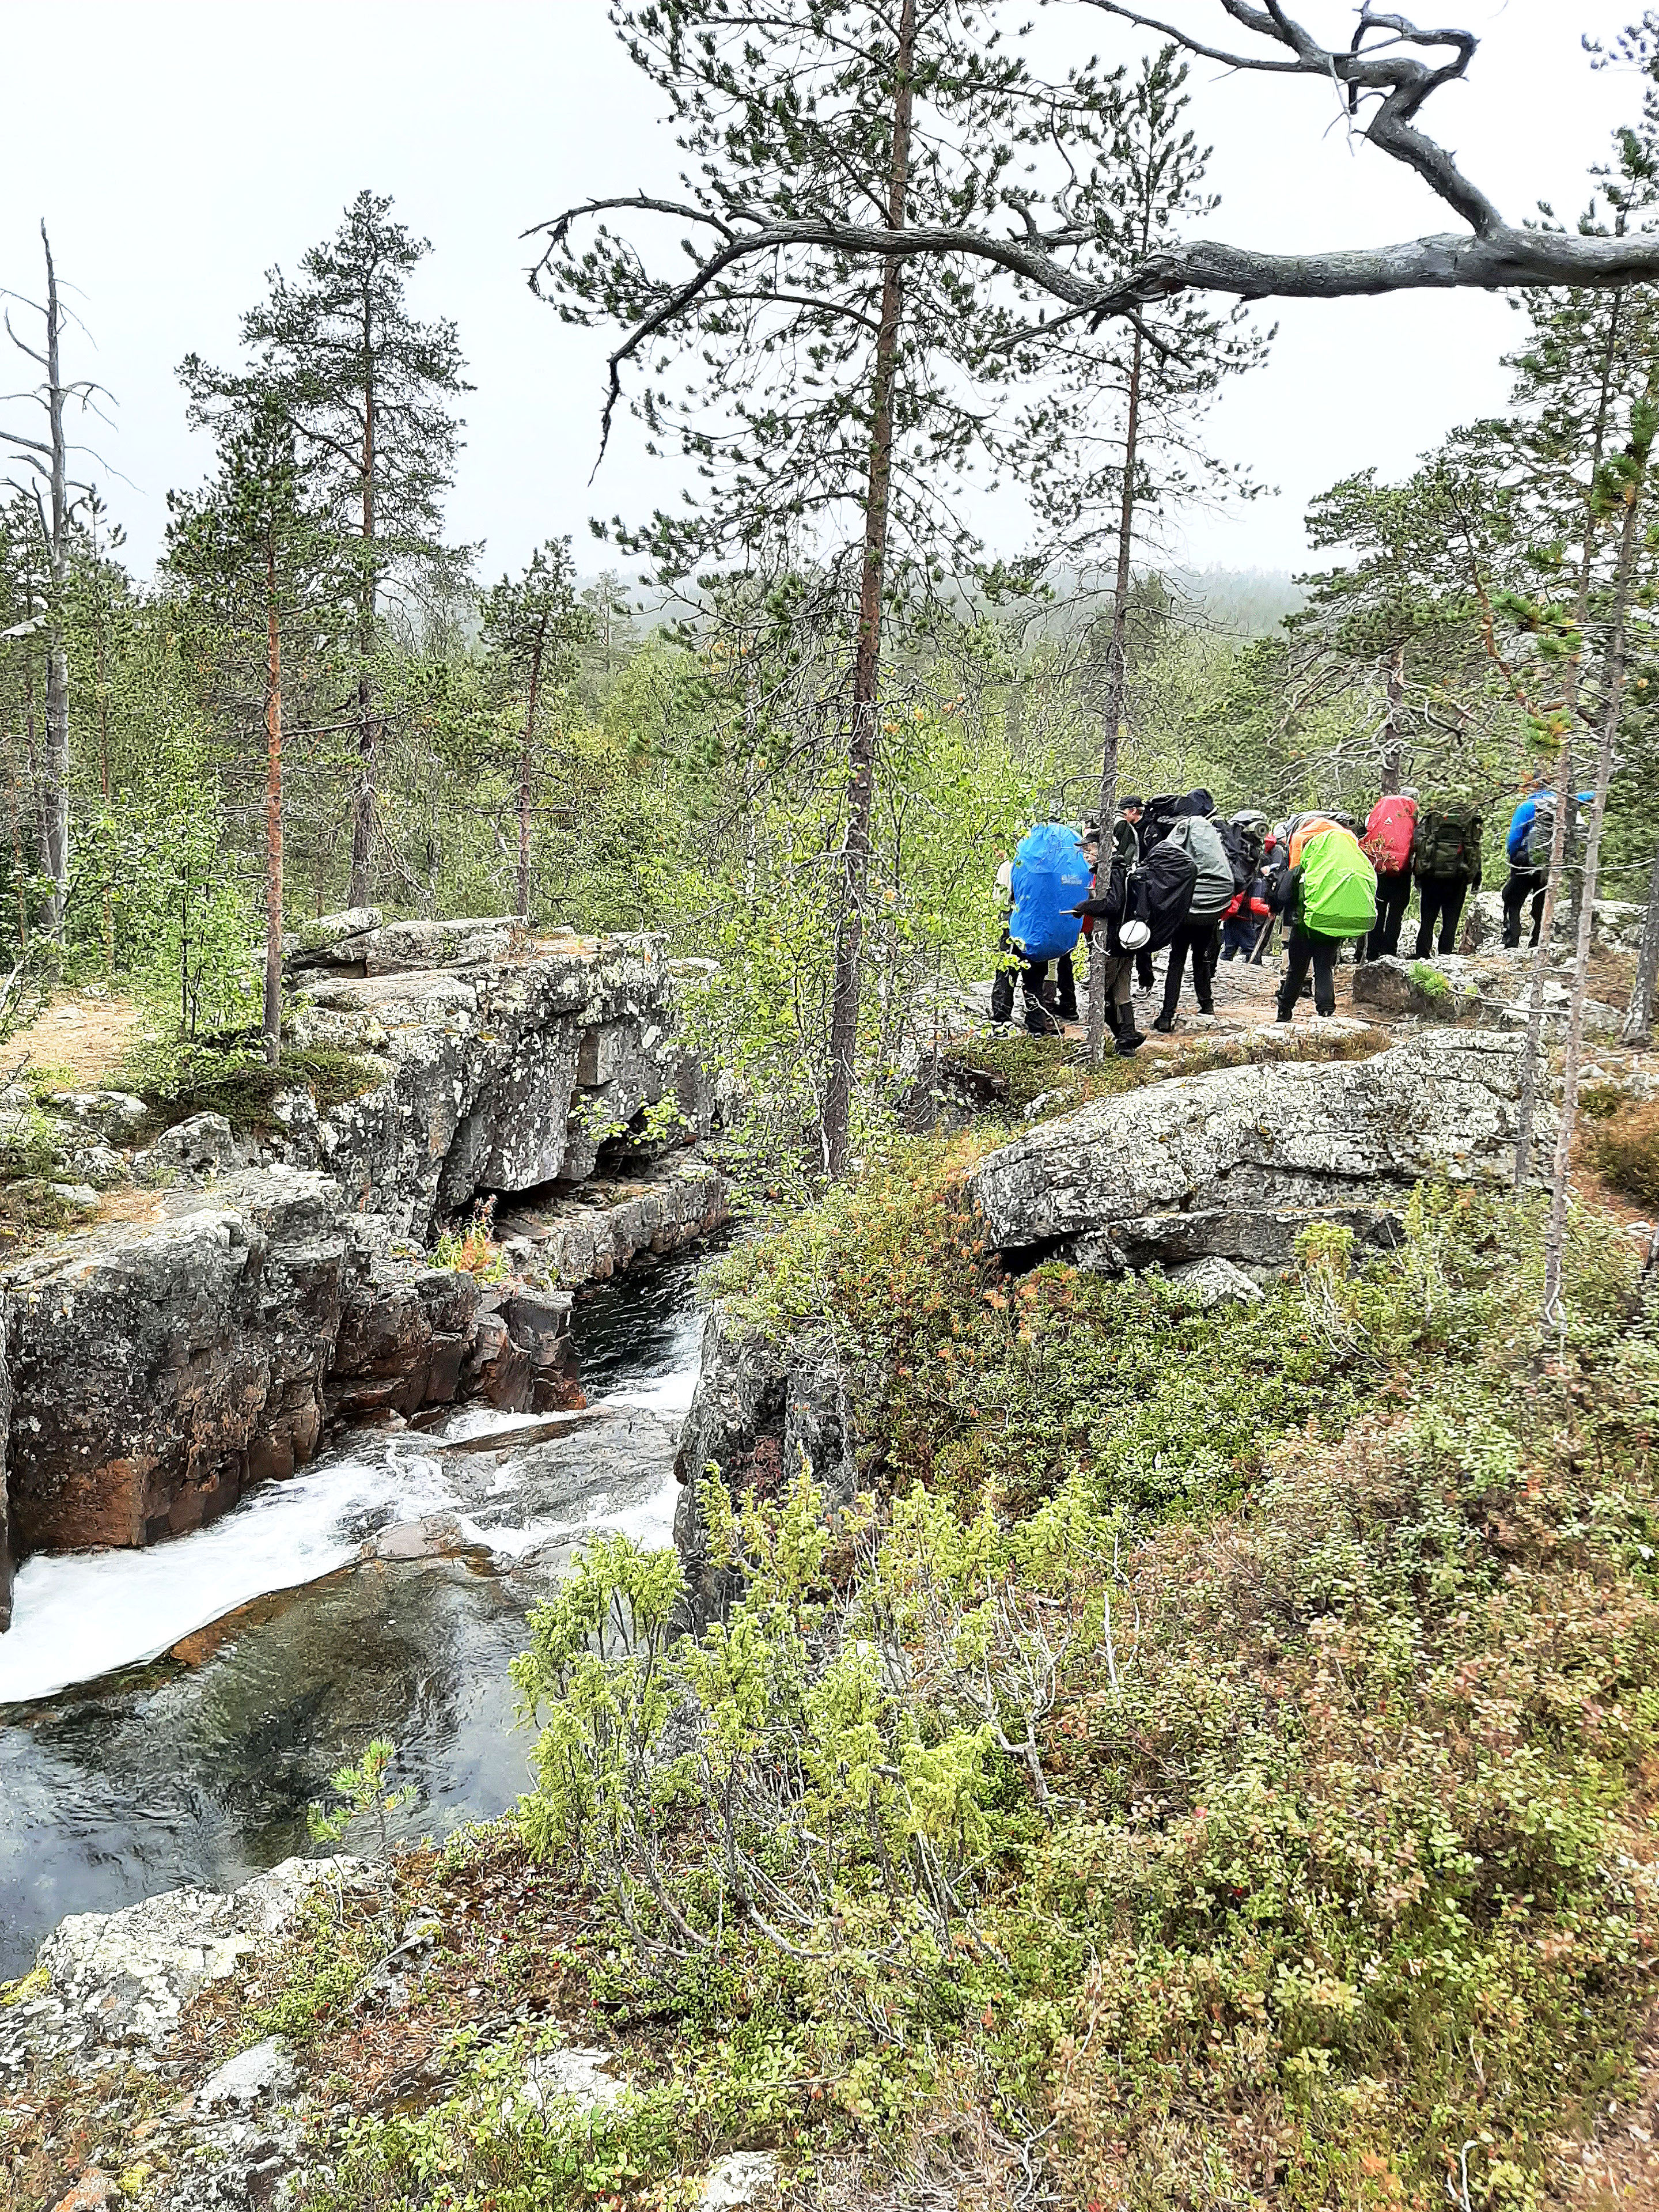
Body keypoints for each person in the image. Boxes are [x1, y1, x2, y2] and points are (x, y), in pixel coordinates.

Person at [990, 819, 1091, 1033]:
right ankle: (1037, 1024)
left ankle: (1000, 1020)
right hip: (1041, 930)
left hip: (1013, 926)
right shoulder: (1056, 869)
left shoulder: (1011, 865)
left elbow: (1000, 899)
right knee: (1035, 978)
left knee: (1006, 973)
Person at [1273, 819, 1378, 1021]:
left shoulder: (1304, 868)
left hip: (1305, 926)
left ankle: (1285, 1011)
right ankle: (1326, 1010)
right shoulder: (1344, 869)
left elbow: (1283, 896)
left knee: (1297, 970)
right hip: (1332, 924)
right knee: (1324, 967)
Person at [1153, 790, 1234, 1032]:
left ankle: (1167, 1015)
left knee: (1177, 959)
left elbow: (1167, 856)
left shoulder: (1185, 829)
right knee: (1201, 958)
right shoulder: (1212, 832)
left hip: (1187, 908)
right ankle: (1207, 1006)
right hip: (1212, 908)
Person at [1411, 796, 1483, 957]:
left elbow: (1420, 843)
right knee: (1451, 920)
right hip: (1458, 876)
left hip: (1432, 875)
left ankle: (1422, 953)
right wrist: (1476, 875)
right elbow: (1475, 847)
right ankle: (1445, 955)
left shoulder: (1433, 814)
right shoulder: (1469, 816)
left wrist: (1419, 874)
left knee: (1427, 919)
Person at [1360, 788, 1417, 960]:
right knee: (1396, 914)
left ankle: (1372, 952)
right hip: (1402, 872)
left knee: (1378, 910)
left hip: (1379, 869)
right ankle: (1389, 951)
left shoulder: (1379, 812)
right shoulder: (1413, 818)